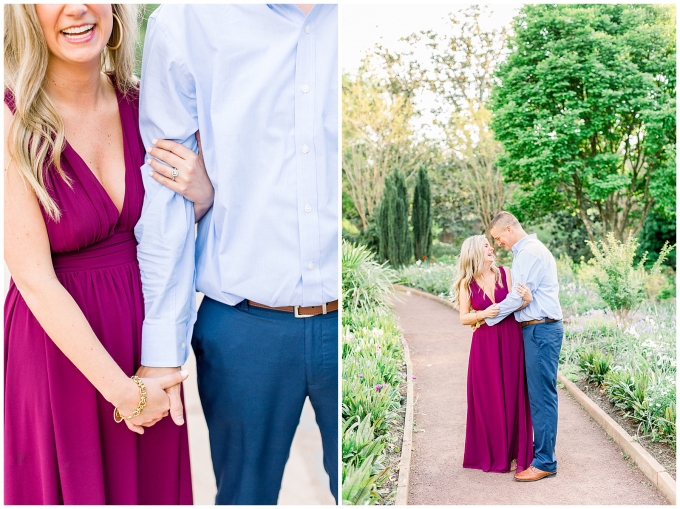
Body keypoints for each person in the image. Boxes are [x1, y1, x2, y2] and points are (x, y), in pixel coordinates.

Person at [4, 4, 213, 504]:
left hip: (150, 353)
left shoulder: (147, 104)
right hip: (61, 355)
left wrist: (202, 197)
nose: (77, 8)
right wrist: (124, 392)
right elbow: (32, 276)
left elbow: (171, 233)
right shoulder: (12, 119)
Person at [135, 4, 338, 505]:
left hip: (350, 321)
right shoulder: (185, 21)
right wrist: (161, 353)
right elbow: (166, 194)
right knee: (243, 498)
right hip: (243, 327)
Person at [485, 211, 564, 482]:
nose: (497, 245)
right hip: (537, 329)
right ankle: (540, 452)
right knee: (538, 396)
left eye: (497, 238)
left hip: (540, 329)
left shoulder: (529, 252)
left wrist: (487, 317)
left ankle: (544, 462)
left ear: (508, 229)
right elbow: (521, 297)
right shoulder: (525, 252)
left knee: (542, 397)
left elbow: (518, 298)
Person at [453, 235, 534, 474]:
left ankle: (513, 453)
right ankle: (494, 453)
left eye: (491, 244)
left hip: (510, 339)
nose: (491, 248)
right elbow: (463, 317)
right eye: (486, 246)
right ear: (475, 252)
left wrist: (526, 300)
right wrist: (483, 314)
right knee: (489, 398)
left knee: (512, 394)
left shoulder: (506, 273)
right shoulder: (466, 284)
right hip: (484, 345)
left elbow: (514, 304)